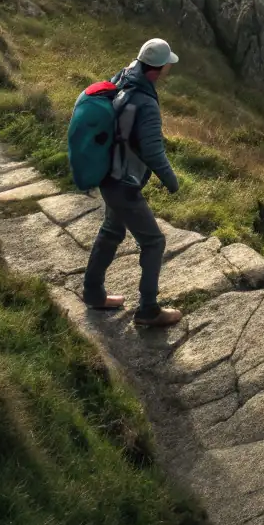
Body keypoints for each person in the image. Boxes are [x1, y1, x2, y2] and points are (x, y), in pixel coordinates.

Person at [82, 38, 183, 328]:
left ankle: (93, 293)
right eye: (167, 66)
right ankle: (148, 311)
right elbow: (153, 151)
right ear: (158, 68)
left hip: (109, 173)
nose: (168, 71)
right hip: (123, 182)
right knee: (154, 241)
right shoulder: (145, 102)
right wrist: (172, 182)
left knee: (112, 230)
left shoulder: (123, 78)